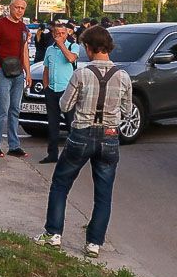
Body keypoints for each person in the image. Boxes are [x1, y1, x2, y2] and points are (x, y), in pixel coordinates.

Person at [35, 26, 133, 258]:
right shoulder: (123, 76)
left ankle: (53, 234)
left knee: (61, 184)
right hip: (109, 136)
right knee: (103, 193)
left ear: (89, 47)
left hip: (81, 134)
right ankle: (94, 243)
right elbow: (127, 111)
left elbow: (64, 106)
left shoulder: (81, 74)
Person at [0, 0, 32, 158]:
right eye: (17, 7)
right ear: (10, 8)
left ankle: (14, 146)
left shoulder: (23, 28)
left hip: (18, 73)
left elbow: (24, 51)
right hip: (1, 71)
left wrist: (28, 73)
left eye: (22, 8)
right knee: (2, 109)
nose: (19, 10)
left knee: (15, 109)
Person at [39, 19, 79, 164]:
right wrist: (46, 87)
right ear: (53, 34)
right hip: (52, 90)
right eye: (57, 33)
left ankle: (74, 155)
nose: (60, 36)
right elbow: (46, 68)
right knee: (52, 123)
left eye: (63, 33)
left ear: (67, 34)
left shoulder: (73, 46)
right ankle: (52, 154)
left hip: (67, 91)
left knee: (70, 123)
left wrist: (62, 44)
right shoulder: (50, 49)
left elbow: (70, 58)